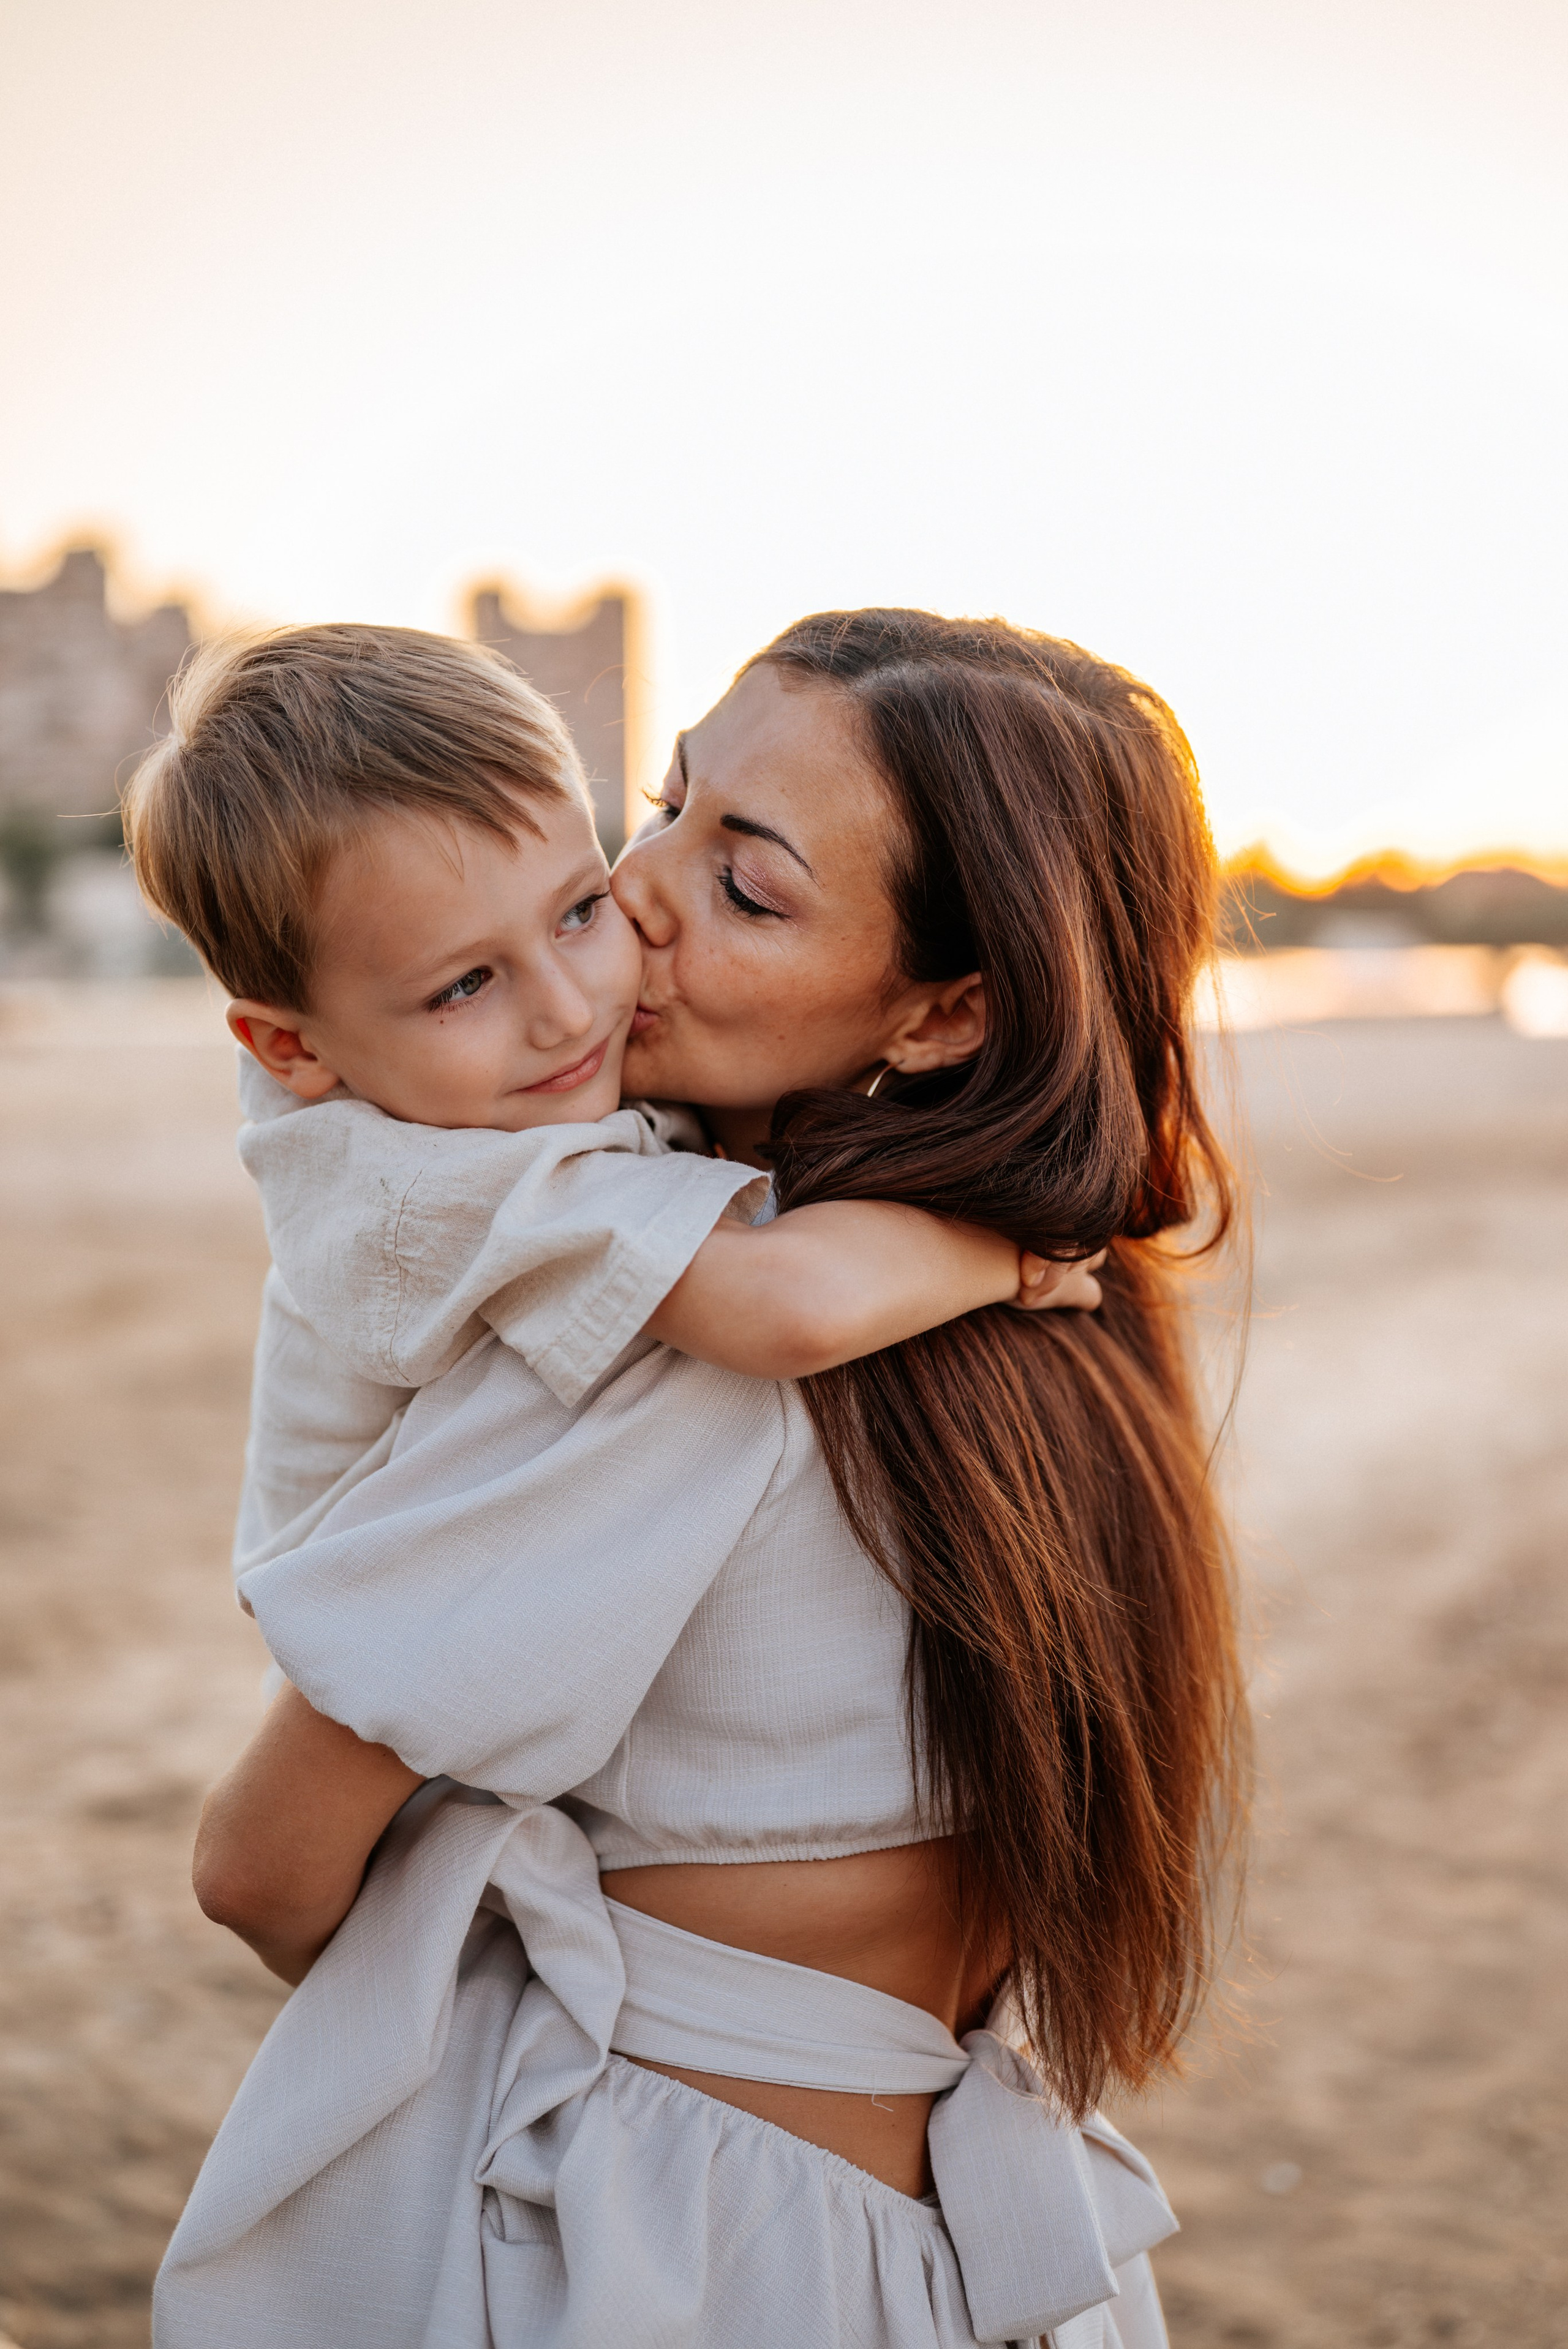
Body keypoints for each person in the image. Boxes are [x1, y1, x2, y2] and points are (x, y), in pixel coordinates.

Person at [155, 610, 1246, 2349]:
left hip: (689, 2230)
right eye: (663, 809)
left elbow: (261, 1866)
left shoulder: (668, 1351)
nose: (638, 896)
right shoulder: (1068, 1324)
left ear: (951, 1003)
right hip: (979, 2241)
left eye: (746, 886)